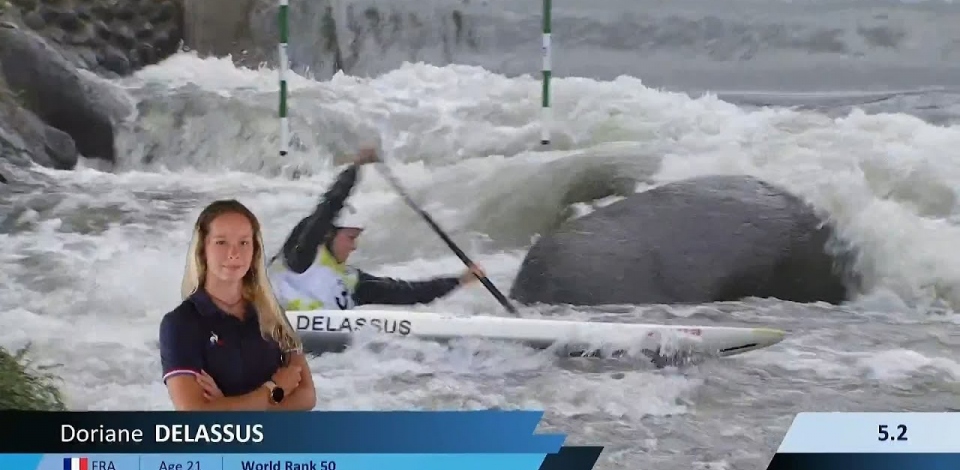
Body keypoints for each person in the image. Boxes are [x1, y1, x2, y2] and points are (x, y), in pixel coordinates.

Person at [268, 147, 486, 312]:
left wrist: (458, 281)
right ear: (329, 234)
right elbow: (326, 209)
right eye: (350, 237)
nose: (354, 246)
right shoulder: (300, 256)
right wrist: (354, 170)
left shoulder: (351, 282)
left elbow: (406, 293)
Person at [158, 199, 317, 411]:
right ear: (202, 249)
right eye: (221, 242)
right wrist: (275, 389)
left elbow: (307, 397)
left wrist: (227, 407)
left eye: (244, 242)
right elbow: (194, 414)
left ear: (255, 250)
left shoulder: (271, 312)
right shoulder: (181, 323)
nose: (234, 253)